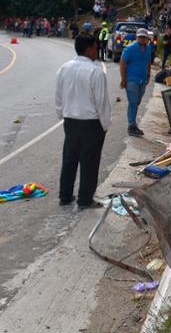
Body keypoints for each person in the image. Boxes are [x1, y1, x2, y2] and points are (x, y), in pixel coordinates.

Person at [54, 34, 111, 209]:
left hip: (70, 120)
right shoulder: (96, 72)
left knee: (69, 158)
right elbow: (102, 103)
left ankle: (65, 195)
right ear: (89, 49)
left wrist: (62, 115)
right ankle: (85, 199)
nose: (97, 51)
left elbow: (58, 97)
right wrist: (105, 125)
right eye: (95, 47)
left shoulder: (64, 68)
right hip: (91, 123)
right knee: (89, 162)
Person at [120, 28, 152, 137]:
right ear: (136, 37)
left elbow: (148, 62)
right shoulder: (130, 49)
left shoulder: (148, 48)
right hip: (131, 79)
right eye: (140, 37)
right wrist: (123, 79)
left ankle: (132, 123)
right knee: (133, 102)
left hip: (142, 79)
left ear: (147, 39)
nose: (142, 39)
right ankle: (131, 126)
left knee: (137, 101)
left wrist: (148, 74)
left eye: (144, 37)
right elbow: (122, 63)